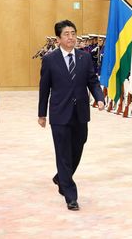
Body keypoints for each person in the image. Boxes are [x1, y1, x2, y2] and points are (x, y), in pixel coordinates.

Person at [38, 20, 105, 211]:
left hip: (80, 113)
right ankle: (70, 195)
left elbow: (92, 81)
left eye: (73, 33)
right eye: (66, 34)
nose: (71, 37)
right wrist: (42, 113)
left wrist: (99, 98)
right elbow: (44, 89)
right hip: (59, 113)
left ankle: (61, 177)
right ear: (58, 39)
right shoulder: (50, 60)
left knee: (78, 146)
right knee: (63, 153)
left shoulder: (84, 58)